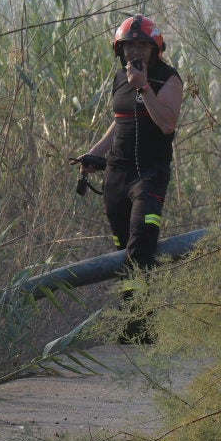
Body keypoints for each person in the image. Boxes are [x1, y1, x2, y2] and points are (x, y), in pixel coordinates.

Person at [76, 14, 184, 270]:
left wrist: (144, 87)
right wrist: (93, 154)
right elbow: (121, 121)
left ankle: (142, 308)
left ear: (155, 49)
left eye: (142, 46)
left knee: (141, 246)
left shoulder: (168, 78)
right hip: (116, 175)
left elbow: (167, 124)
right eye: (129, 45)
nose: (135, 51)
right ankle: (131, 308)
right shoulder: (120, 78)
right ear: (120, 49)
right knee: (122, 253)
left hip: (149, 175)